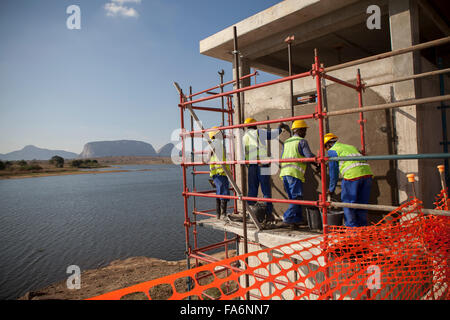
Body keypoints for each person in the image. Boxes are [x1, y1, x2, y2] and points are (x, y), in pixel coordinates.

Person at [324, 133, 373, 227]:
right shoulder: (350, 147)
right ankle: (363, 230)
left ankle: (352, 232)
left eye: (326, 148)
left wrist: (331, 189)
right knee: (362, 204)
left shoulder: (332, 151)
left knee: (348, 204)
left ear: (328, 145)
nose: (327, 150)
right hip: (367, 175)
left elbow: (333, 173)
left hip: (353, 176)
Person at [278, 120, 318, 228]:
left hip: (285, 173)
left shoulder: (287, 142)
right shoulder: (302, 141)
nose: (305, 133)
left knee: (293, 198)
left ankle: (297, 219)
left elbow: (282, 157)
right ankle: (287, 218)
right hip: (294, 173)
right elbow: (309, 156)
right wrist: (317, 162)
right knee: (297, 197)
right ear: (299, 130)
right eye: (304, 130)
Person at [243, 117, 274, 222]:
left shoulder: (245, 136)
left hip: (251, 165)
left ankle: (250, 214)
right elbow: (272, 135)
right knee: (265, 190)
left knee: (252, 190)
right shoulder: (258, 132)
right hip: (262, 164)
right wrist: (280, 128)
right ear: (255, 124)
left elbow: (243, 153)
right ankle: (268, 214)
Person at [208, 126, 230, 219]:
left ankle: (218, 214)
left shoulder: (213, 144)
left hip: (216, 173)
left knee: (219, 192)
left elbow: (208, 157)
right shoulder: (218, 144)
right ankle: (223, 214)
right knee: (223, 192)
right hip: (221, 172)